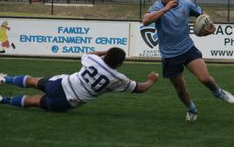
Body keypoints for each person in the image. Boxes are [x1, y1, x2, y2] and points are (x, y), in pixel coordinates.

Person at [142, 0, 234, 122]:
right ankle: (191, 109)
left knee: (205, 78)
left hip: (187, 49)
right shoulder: (157, 6)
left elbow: (203, 16)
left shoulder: (186, 4)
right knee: (180, 89)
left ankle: (218, 92)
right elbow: (146, 20)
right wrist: (165, 9)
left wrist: (210, 25)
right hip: (169, 55)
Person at [0, 47, 159, 112]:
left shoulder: (94, 60)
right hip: (67, 101)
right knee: (34, 101)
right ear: (120, 63)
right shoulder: (118, 78)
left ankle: (4, 79)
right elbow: (140, 88)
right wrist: (151, 80)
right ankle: (3, 99)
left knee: (33, 81)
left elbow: (91, 52)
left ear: (106, 56)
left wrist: (105, 51)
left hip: (60, 85)